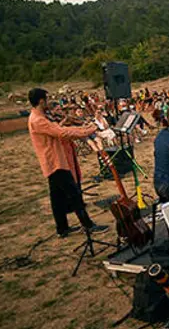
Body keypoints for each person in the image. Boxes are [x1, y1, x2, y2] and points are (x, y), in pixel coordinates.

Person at [27, 88, 109, 238]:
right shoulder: (38, 120)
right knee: (74, 195)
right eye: (46, 99)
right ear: (41, 101)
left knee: (57, 198)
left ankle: (62, 228)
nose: (48, 102)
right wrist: (87, 131)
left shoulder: (41, 117)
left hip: (54, 161)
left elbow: (61, 128)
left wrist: (82, 127)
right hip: (55, 162)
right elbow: (62, 132)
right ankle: (88, 225)